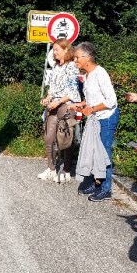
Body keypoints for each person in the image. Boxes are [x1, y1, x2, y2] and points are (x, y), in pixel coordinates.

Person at [69, 42, 119, 202]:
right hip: (96, 118)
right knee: (93, 151)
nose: (75, 60)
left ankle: (106, 188)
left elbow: (111, 100)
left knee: (103, 153)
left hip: (106, 117)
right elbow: (92, 96)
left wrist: (92, 109)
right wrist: (82, 104)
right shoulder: (88, 74)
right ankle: (96, 184)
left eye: (77, 57)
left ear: (87, 57)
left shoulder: (100, 73)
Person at [38, 38, 82, 183]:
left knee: (64, 139)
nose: (54, 52)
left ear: (65, 50)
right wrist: (47, 98)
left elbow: (72, 91)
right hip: (53, 105)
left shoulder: (72, 67)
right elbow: (52, 88)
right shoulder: (56, 67)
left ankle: (67, 170)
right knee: (49, 137)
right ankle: (51, 169)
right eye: (53, 50)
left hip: (66, 105)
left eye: (57, 49)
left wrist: (58, 101)